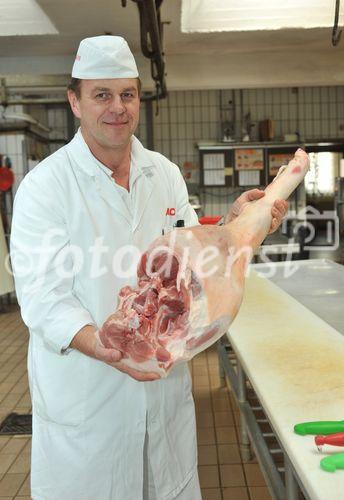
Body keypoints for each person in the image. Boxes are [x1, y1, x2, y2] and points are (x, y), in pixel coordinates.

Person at [10, 36, 287, 500]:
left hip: (162, 400)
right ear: (74, 102)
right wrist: (111, 347)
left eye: (128, 94)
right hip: (89, 405)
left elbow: (196, 263)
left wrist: (235, 226)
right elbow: (44, 298)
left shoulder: (164, 173)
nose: (117, 108)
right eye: (102, 95)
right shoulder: (45, 187)